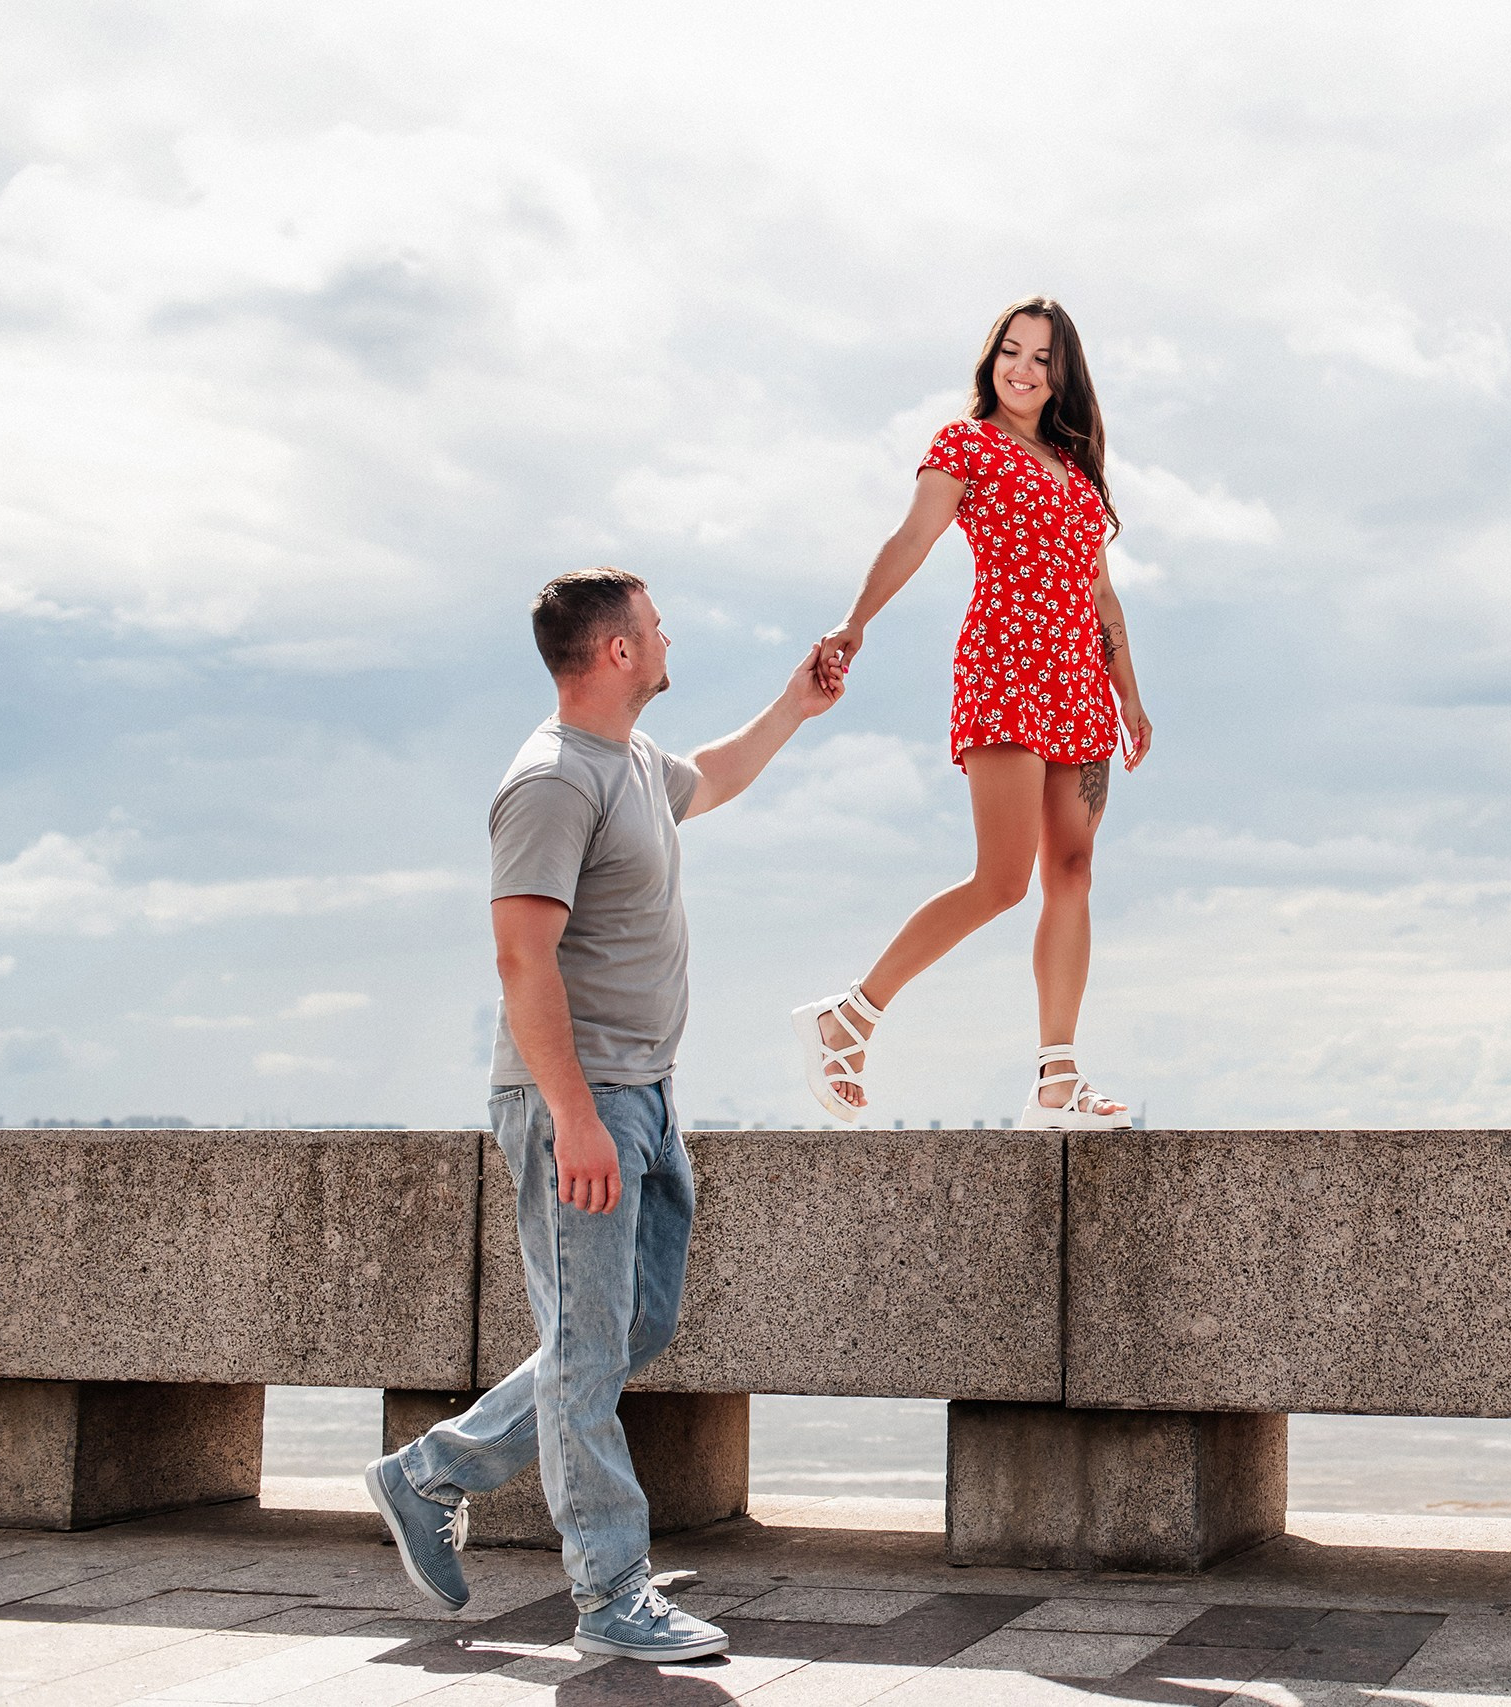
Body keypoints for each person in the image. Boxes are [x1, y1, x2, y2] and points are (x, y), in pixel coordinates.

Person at [364, 567, 840, 1663]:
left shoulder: (628, 762)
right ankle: (611, 1595)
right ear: (618, 651)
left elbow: (712, 778)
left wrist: (794, 707)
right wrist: (574, 1118)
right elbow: (520, 955)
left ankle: (429, 1472)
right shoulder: (548, 780)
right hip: (580, 1103)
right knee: (586, 1348)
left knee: (629, 1330)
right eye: (656, 624)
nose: (669, 634)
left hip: (646, 1094)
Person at [792, 297, 1153, 1128]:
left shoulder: (1075, 465)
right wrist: (855, 623)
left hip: (1078, 687)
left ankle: (1057, 1082)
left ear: (1063, 375)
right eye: (1010, 353)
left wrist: (1130, 692)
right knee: (1002, 878)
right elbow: (912, 537)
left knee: (1073, 873)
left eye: (1040, 358)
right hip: (1005, 669)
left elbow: (1100, 591)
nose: (1022, 370)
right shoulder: (967, 443)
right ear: (991, 360)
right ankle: (847, 1017)